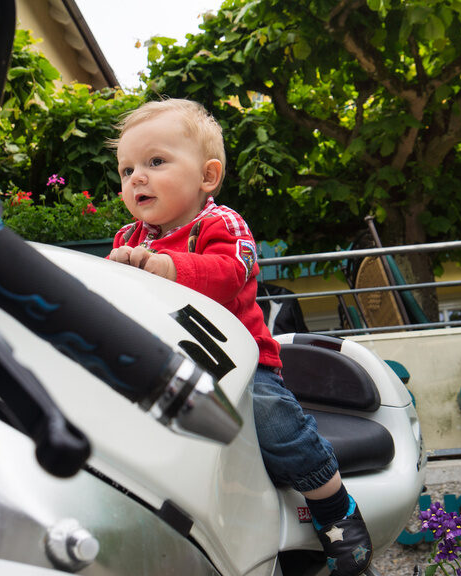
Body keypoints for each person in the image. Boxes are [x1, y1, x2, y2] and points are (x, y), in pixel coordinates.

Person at [107, 98, 372, 576]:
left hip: (239, 363)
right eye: (127, 170)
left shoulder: (220, 224)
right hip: (168, 365)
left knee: (275, 426)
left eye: (155, 162)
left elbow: (232, 272)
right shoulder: (129, 237)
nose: (136, 178)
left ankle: (336, 510)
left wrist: (170, 267)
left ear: (207, 176)